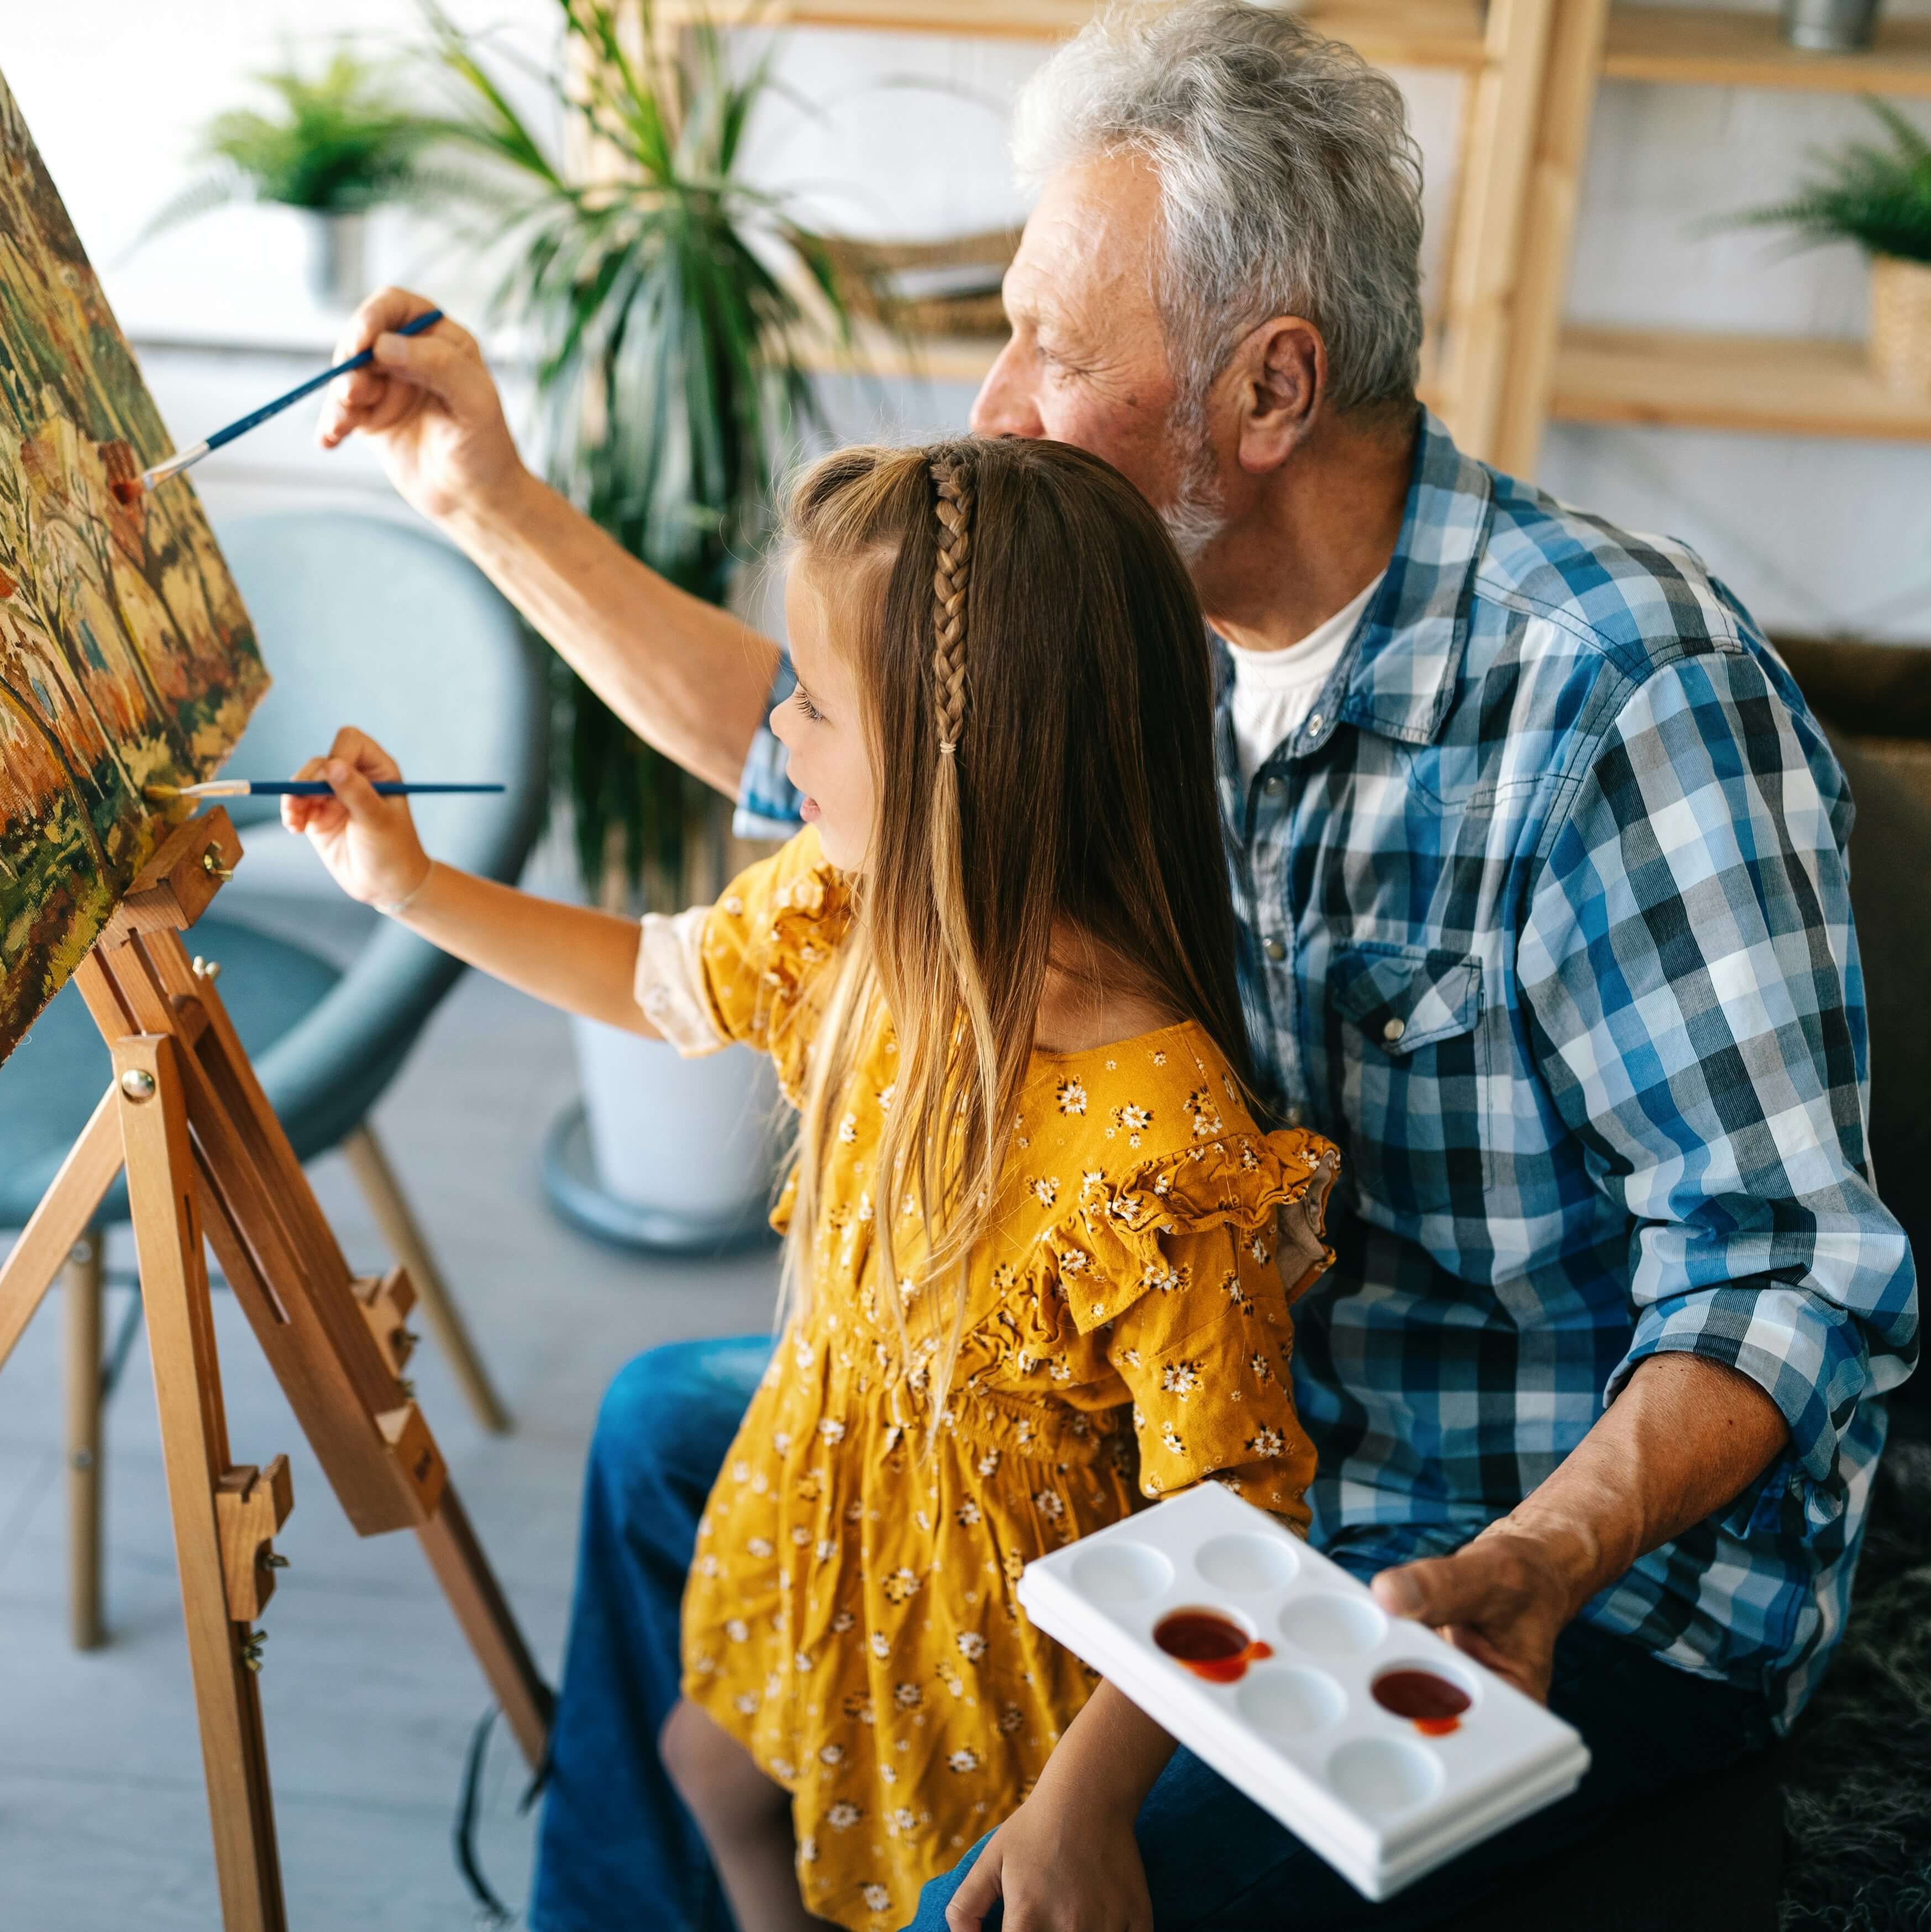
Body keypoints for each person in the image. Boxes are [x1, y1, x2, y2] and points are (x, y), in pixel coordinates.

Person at [316, 1, 1917, 1923]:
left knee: (981, 1899)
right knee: (670, 1434)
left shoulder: (1615, 699)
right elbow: (818, 741)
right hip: (1143, 1441)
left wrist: (1546, 1554)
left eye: (1055, 351)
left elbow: (1783, 1266)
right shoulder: (1120, 630)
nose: (993, 402)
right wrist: (480, 495)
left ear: (1269, 389)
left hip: (1487, 1570)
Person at [282, 437, 1340, 1931]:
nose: (774, 726)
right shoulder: (845, 918)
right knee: (706, 1768)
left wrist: (1085, 1806)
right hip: (821, 1515)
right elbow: (652, 978)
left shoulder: (1159, 1156)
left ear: (958, 761)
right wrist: (410, 890)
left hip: (1000, 1680)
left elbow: (1231, 1521)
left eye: (815, 702)